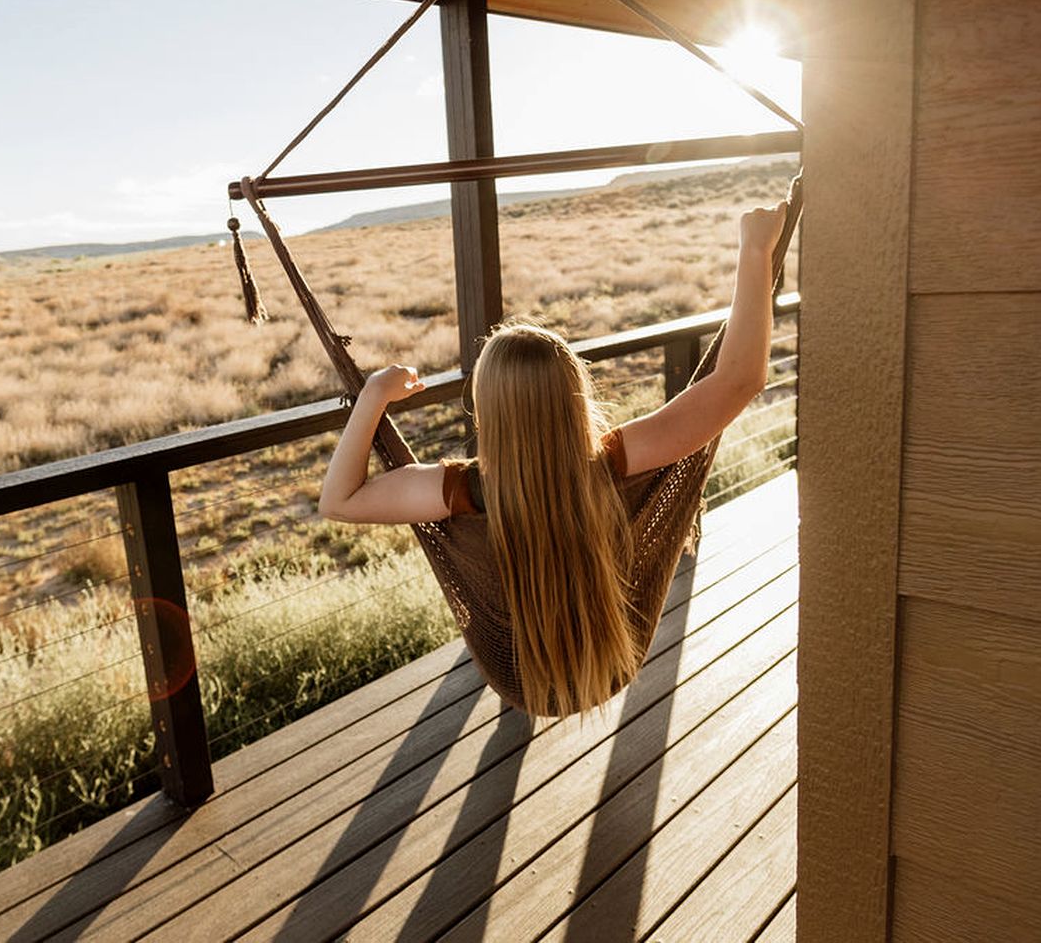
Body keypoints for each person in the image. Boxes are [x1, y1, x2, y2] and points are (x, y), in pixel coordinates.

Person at [317, 201, 789, 715]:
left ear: (485, 407)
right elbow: (740, 378)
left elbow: (339, 500)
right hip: (610, 665)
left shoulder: (459, 492)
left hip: (522, 681)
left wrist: (374, 396)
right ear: (575, 389)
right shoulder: (620, 461)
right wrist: (755, 250)